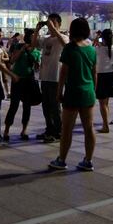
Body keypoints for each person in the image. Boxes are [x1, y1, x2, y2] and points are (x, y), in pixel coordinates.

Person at [49, 17, 97, 172]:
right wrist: (93, 91)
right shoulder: (91, 50)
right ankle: (88, 160)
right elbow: (94, 73)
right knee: (88, 128)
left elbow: (63, 73)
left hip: (73, 92)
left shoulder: (69, 49)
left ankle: (61, 160)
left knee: (67, 129)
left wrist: (59, 92)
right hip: (88, 92)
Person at [33, 14, 68, 142]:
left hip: (56, 77)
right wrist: (37, 30)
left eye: (53, 22)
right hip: (45, 76)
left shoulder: (63, 37)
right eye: (49, 22)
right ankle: (49, 129)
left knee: (55, 106)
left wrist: (54, 30)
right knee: (46, 106)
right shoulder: (46, 39)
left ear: (59, 23)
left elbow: (66, 45)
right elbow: (34, 45)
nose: (50, 25)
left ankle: (58, 131)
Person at [3, 29, 40, 142]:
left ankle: (24, 130)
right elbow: (12, 60)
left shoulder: (37, 51)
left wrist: (36, 62)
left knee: (27, 107)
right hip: (17, 80)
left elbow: (36, 67)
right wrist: (22, 50)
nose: (33, 38)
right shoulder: (19, 47)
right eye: (32, 36)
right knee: (13, 105)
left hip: (29, 80)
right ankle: (6, 130)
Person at [94, 29, 113, 133]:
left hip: (101, 76)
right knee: (106, 103)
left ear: (103, 38)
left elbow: (94, 45)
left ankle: (105, 126)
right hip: (111, 76)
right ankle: (105, 123)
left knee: (102, 104)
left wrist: (97, 38)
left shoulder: (98, 49)